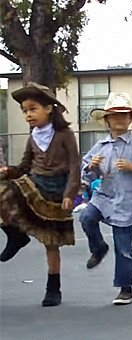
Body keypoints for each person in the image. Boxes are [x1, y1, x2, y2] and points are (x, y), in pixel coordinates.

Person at [0, 82, 81, 307]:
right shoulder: (33, 136)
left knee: (51, 243)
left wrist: (70, 193)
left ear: (49, 108)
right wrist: (9, 171)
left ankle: (53, 288)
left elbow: (75, 165)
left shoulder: (64, 134)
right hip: (35, 183)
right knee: (6, 190)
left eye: (32, 108)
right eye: (24, 110)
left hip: (56, 192)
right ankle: (15, 234)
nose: (28, 114)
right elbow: (26, 165)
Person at [79, 93, 132, 305]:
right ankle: (98, 247)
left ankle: (125, 288)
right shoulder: (101, 146)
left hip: (126, 202)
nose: (119, 120)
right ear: (107, 120)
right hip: (104, 196)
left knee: (124, 248)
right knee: (86, 217)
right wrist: (92, 167)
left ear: (131, 119)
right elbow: (88, 173)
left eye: (124, 115)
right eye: (114, 116)